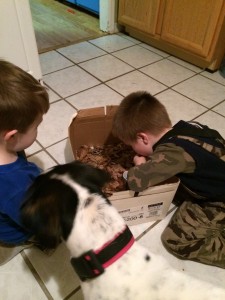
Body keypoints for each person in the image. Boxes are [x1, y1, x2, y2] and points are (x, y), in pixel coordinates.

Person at [112, 90, 225, 268]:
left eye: (131, 145)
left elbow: (135, 181)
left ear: (143, 137)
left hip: (218, 200)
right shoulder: (186, 128)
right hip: (216, 176)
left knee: (175, 240)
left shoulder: (172, 153)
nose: (132, 149)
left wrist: (139, 163)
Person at [0, 59, 49, 264]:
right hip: (14, 230)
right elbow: (31, 218)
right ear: (11, 137)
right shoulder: (15, 184)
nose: (38, 130)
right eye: (36, 126)